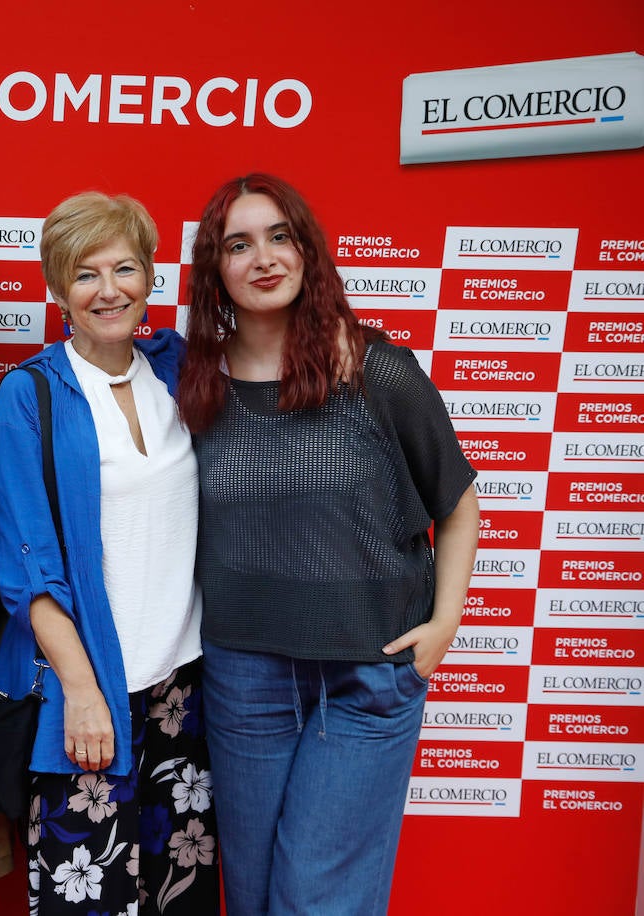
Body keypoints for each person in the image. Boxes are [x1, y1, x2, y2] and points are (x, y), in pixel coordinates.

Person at [177, 173, 480, 915]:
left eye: (280, 237)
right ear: (215, 270)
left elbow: (460, 500)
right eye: (239, 245)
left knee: (317, 896)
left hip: (367, 673)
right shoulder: (194, 383)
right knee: (249, 893)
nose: (264, 258)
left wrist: (443, 626)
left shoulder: (378, 369)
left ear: (308, 250)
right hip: (244, 674)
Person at [0, 192, 218, 915]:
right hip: (83, 694)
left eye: (124, 269)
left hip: (183, 694)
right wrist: (84, 694)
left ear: (149, 277)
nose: (108, 289)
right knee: (85, 900)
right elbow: (29, 572)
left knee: (181, 896)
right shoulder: (30, 396)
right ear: (58, 290)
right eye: (85, 274)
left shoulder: (178, 371)